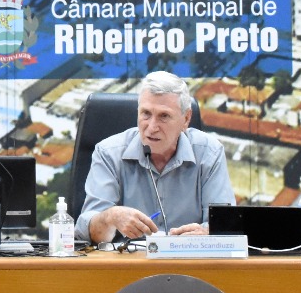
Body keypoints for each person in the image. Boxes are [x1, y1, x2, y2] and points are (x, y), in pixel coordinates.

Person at [76, 72, 235, 243]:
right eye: (146, 113)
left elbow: (227, 227)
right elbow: (86, 233)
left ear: (186, 119)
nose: (152, 127)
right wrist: (110, 217)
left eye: (164, 116)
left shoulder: (209, 152)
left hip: (189, 263)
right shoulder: (108, 152)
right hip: (127, 265)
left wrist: (207, 234)